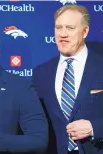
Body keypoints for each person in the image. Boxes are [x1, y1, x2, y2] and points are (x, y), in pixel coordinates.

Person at [33, 4, 103, 154]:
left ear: (85, 31)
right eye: (58, 28)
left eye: (70, 28)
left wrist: (94, 128)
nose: (62, 34)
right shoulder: (41, 72)